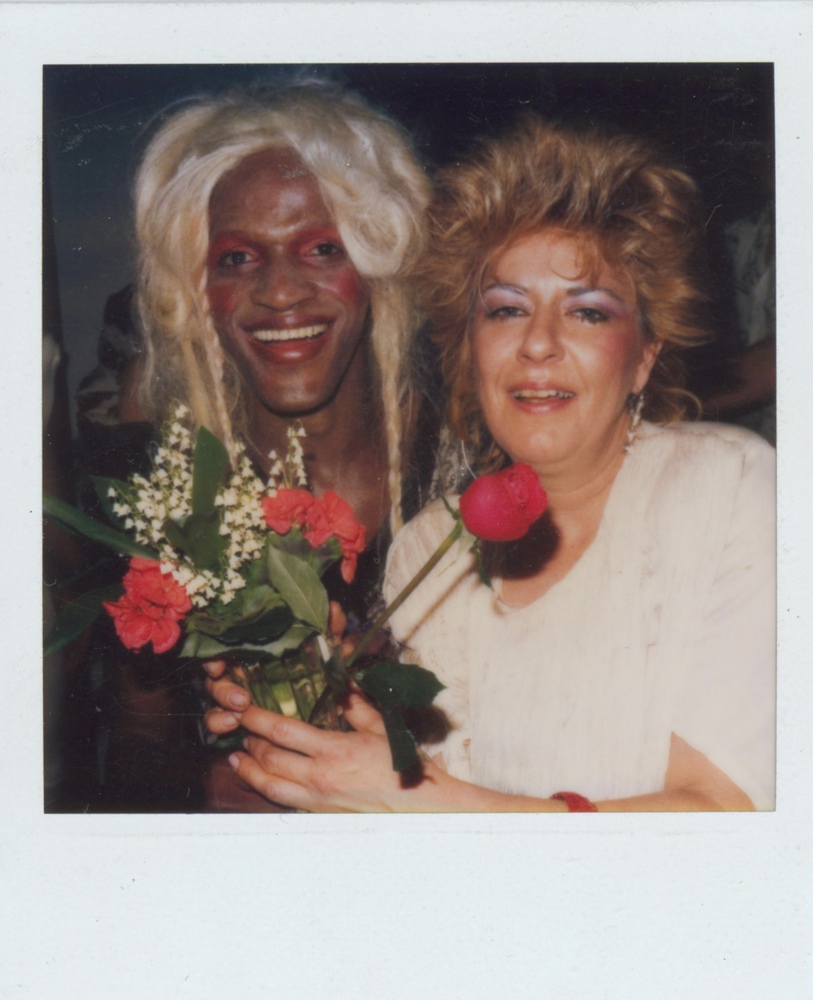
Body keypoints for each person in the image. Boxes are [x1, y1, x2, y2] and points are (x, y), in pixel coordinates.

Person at [205, 116, 775, 813]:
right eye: (505, 310)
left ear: (644, 357)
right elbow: (432, 796)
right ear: (468, 347)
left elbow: (724, 818)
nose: (537, 344)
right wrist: (314, 699)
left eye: (588, 314)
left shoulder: (731, 487)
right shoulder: (427, 548)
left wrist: (424, 807)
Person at [60, 80, 435, 811]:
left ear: (378, 261)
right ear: (194, 288)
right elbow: (120, 757)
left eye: (323, 248)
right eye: (237, 258)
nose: (281, 292)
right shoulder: (154, 504)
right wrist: (208, 789)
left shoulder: (469, 454)